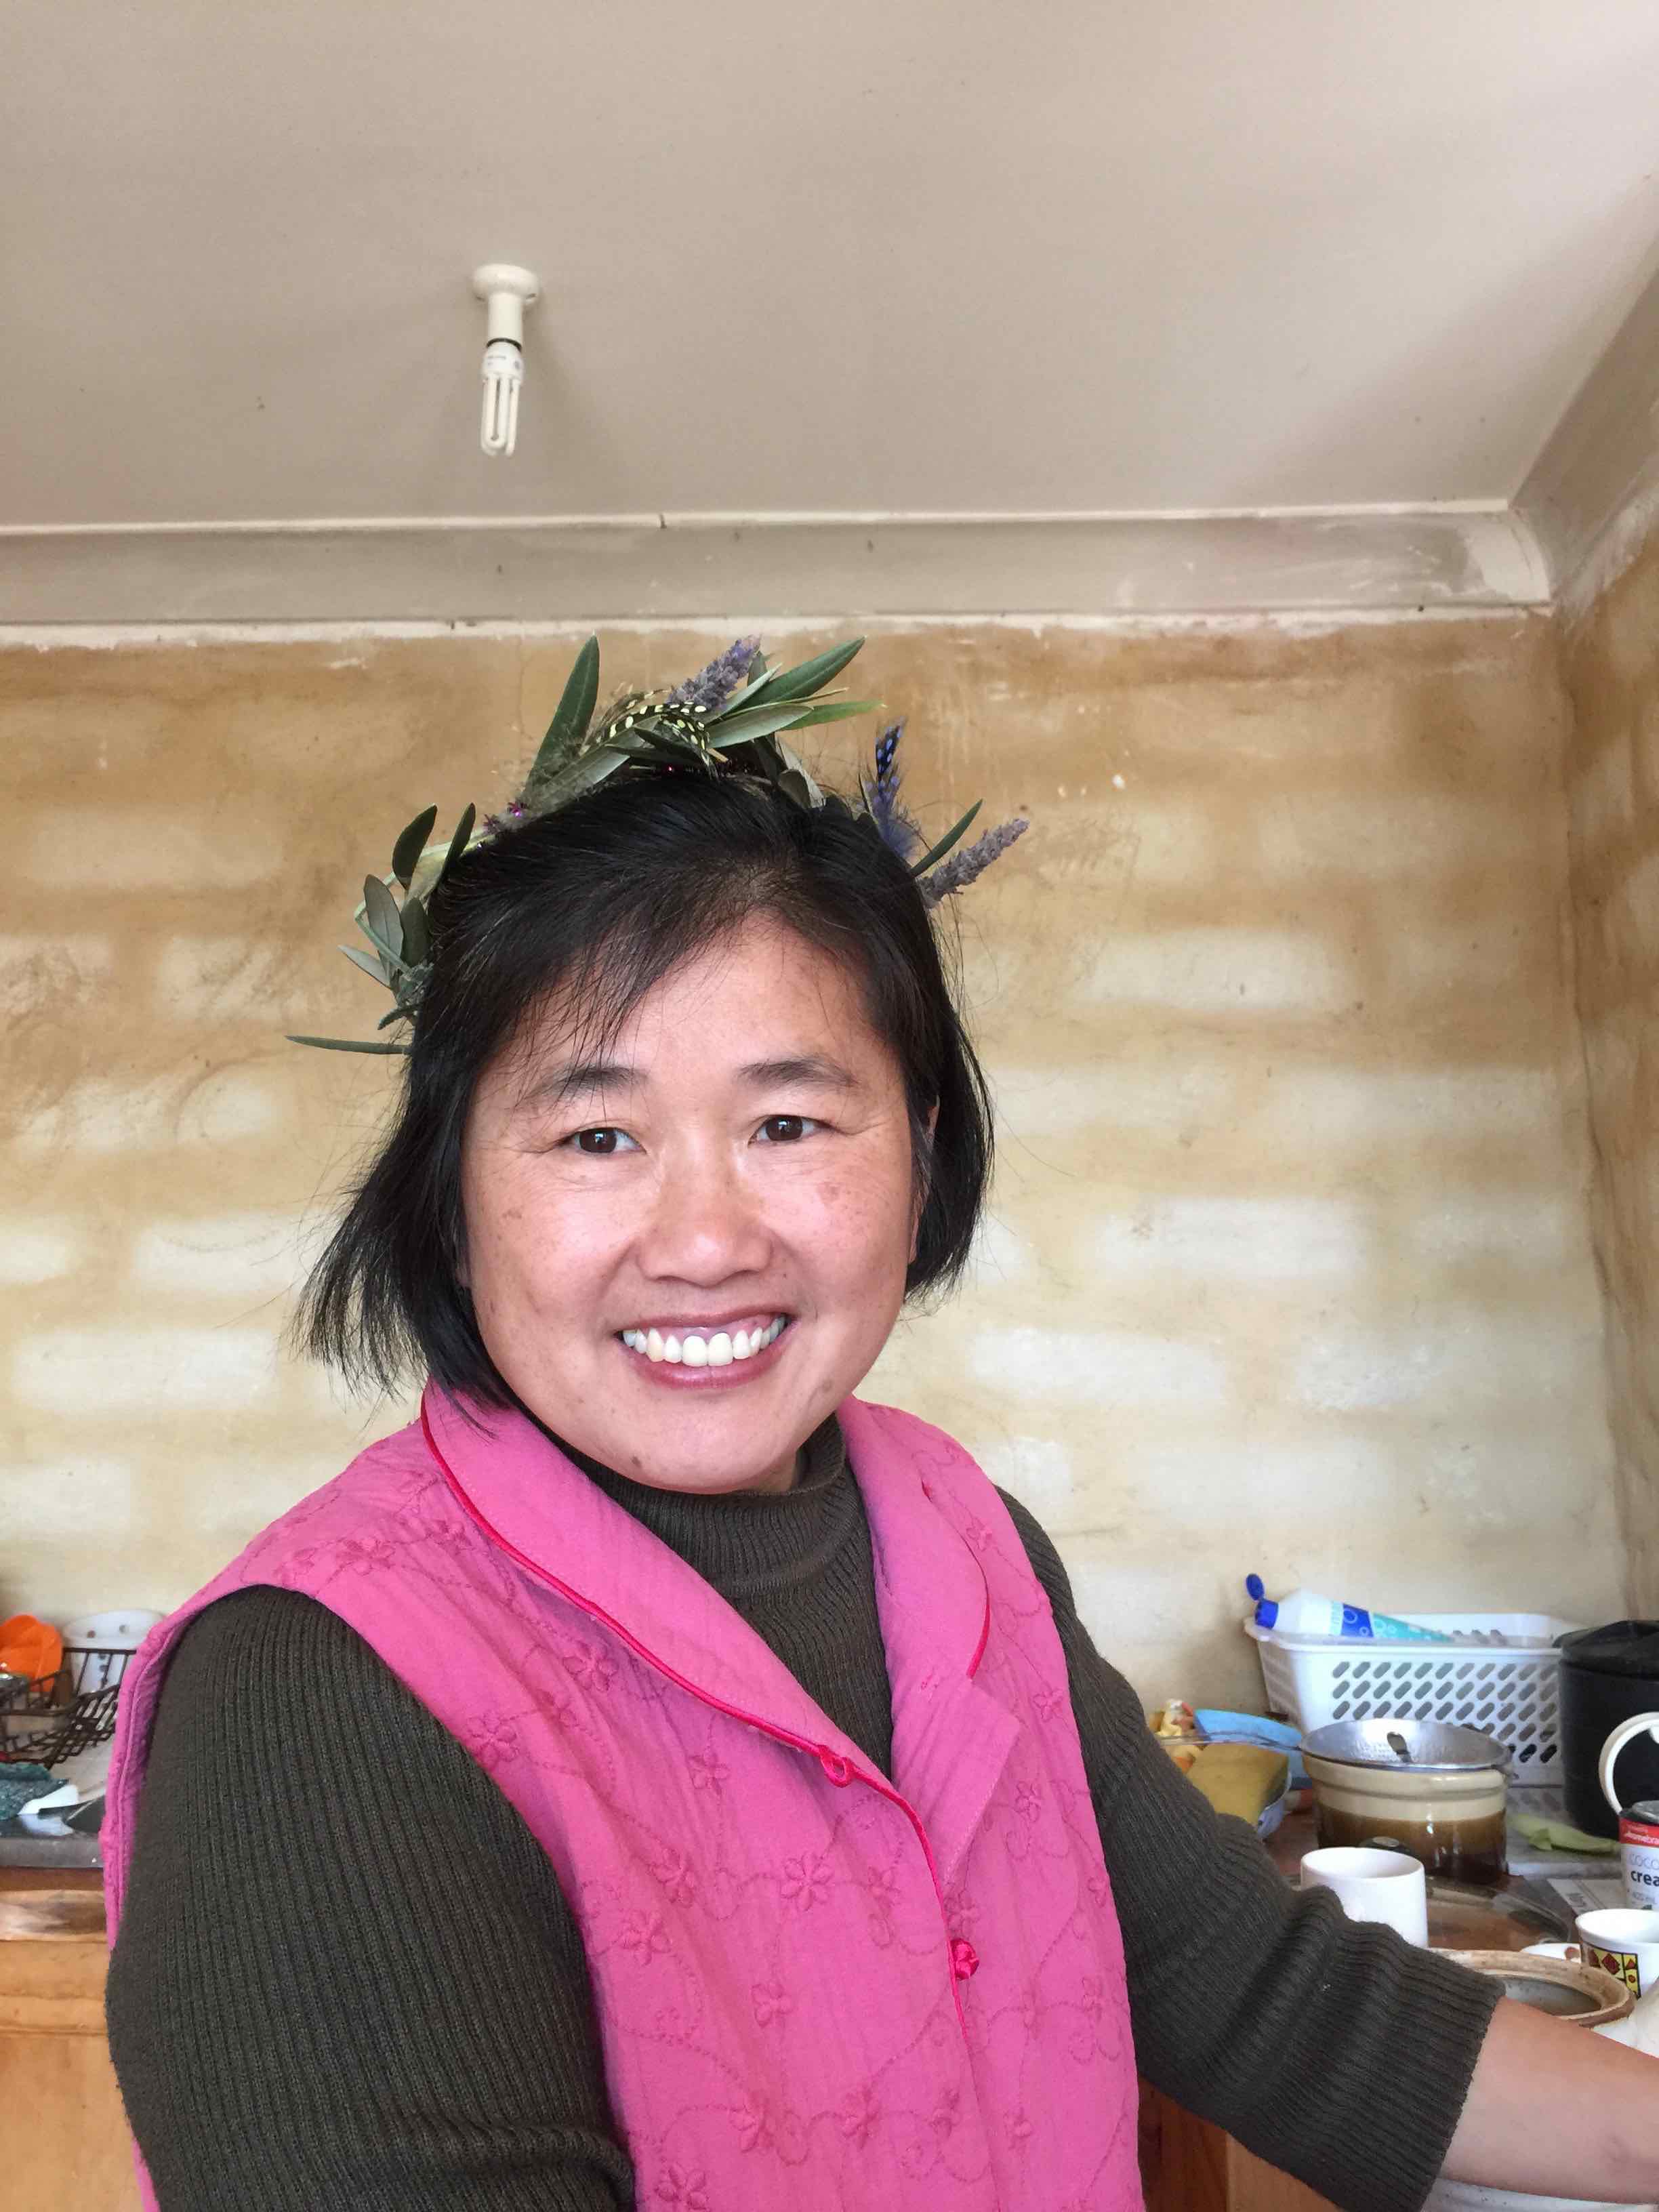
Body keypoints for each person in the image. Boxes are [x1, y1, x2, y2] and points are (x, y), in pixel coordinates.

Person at [104, 637, 1659, 2211]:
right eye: (595, 1135)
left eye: (789, 1122)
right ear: (448, 1200)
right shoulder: (317, 1691)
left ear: (918, 1155)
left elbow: (1274, 2001)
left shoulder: (959, 1541)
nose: (703, 1239)